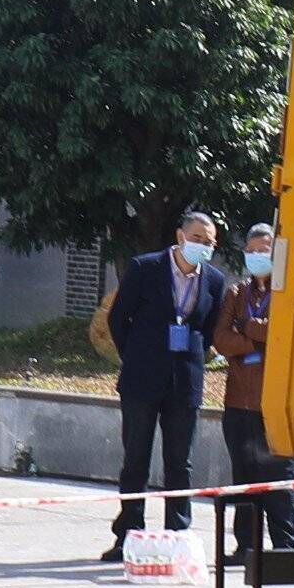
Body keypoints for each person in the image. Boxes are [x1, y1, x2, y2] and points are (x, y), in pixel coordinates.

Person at [99, 209, 224, 560]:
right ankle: (129, 535)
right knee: (135, 458)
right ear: (180, 236)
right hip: (142, 378)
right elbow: (118, 318)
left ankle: (178, 535)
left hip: (185, 381)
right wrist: (135, 355)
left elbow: (210, 328)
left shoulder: (214, 280)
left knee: (179, 462)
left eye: (209, 241)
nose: (202, 245)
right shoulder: (145, 267)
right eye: (197, 238)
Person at [206, 219, 294, 559]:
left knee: (277, 478)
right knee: (243, 476)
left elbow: (283, 335)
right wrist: (252, 340)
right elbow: (220, 338)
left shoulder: (288, 294)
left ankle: (286, 546)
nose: (258, 255)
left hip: (274, 403)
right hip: (239, 403)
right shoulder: (236, 292)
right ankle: (246, 545)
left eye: (265, 250)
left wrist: (245, 327)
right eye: (253, 250)